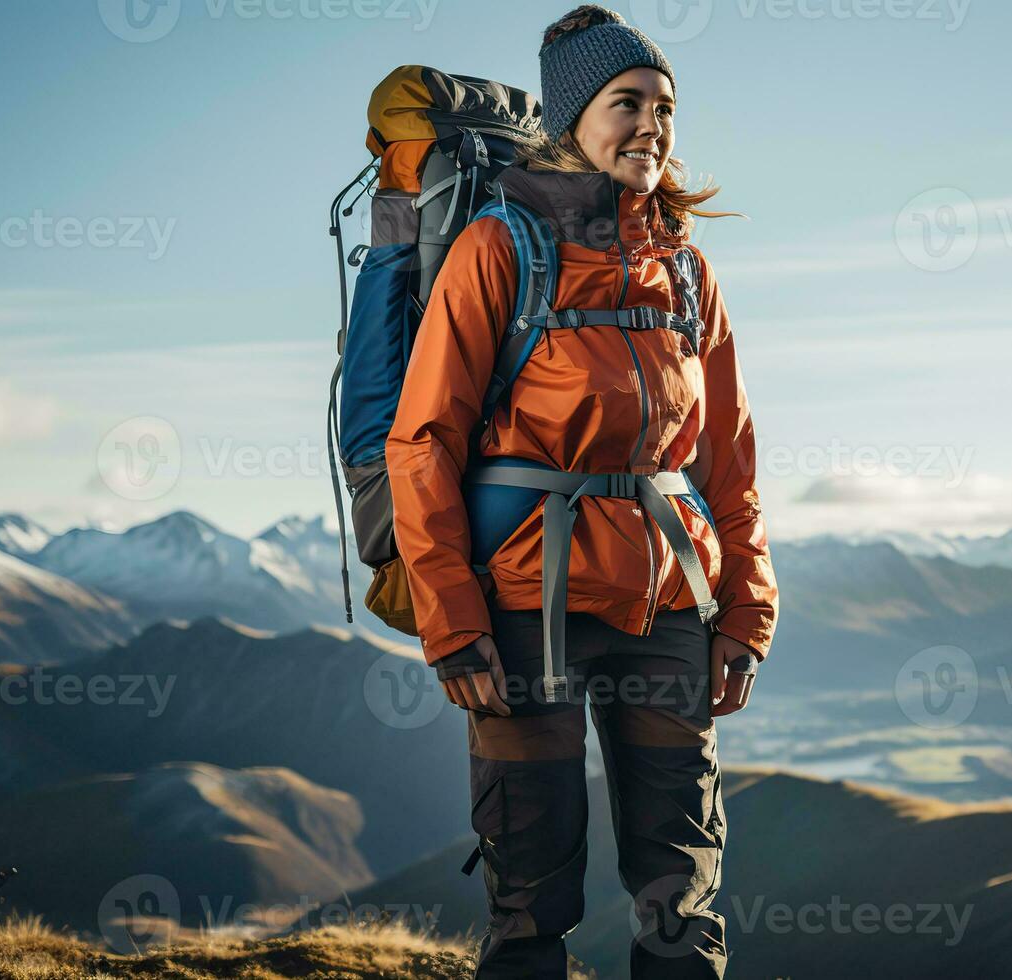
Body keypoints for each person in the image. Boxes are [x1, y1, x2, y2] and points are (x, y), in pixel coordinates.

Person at [383, 5, 778, 977]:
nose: (651, 124)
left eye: (664, 107)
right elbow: (422, 438)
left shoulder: (686, 270)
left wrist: (746, 608)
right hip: (523, 600)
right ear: (573, 119)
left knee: (679, 889)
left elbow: (726, 455)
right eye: (626, 102)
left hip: (671, 600)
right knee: (532, 891)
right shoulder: (495, 249)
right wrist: (452, 618)